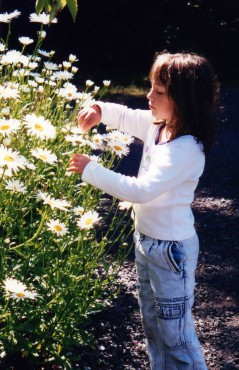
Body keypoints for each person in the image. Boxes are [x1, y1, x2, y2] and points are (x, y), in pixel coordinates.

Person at [68, 51, 220, 370]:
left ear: (185, 99)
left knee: (175, 334)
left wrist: (91, 170)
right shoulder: (159, 126)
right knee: (153, 325)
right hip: (147, 241)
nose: (149, 96)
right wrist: (99, 110)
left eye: (159, 92)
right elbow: (126, 116)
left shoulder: (185, 149)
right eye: (150, 87)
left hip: (170, 251)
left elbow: (141, 190)